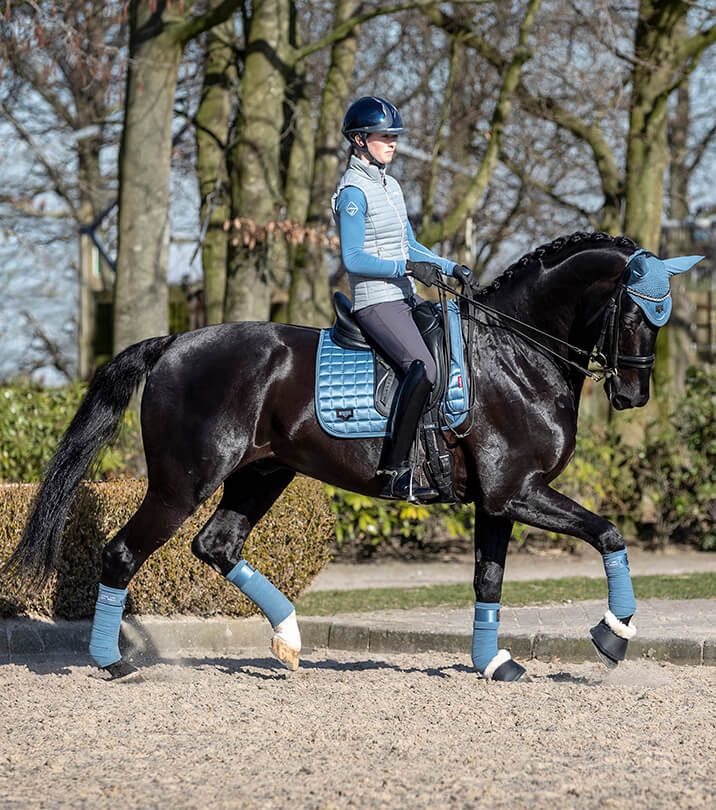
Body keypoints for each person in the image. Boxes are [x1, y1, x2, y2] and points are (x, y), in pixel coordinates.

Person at [331, 96, 478, 502]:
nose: (393, 143)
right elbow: (354, 258)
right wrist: (408, 269)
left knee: (451, 349)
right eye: (385, 136)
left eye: (395, 136)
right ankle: (394, 470)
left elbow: (410, 244)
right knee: (423, 368)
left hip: (406, 297)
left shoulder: (390, 186)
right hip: (375, 301)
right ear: (360, 140)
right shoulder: (353, 192)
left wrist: (450, 267)